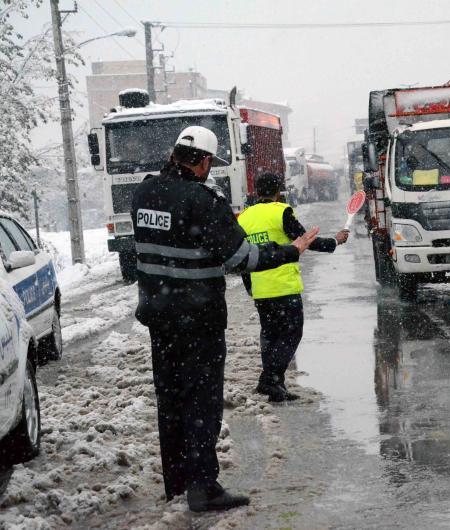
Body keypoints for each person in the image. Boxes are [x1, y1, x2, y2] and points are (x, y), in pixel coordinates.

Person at [132, 126, 319, 512]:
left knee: (170, 400)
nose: (209, 170)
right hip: (197, 320)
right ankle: (203, 487)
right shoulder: (203, 200)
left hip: (159, 318)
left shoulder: (144, 193)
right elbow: (241, 259)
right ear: (201, 161)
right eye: (209, 163)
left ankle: (177, 483)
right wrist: (291, 251)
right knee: (201, 401)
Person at [237, 172, 349, 401]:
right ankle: (269, 380)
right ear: (278, 190)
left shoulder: (244, 217)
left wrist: (249, 285)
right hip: (284, 287)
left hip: (260, 288)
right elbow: (306, 240)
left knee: (270, 336)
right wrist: (335, 241)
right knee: (291, 333)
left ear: (256, 191)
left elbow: (241, 256)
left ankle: (276, 385)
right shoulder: (281, 211)